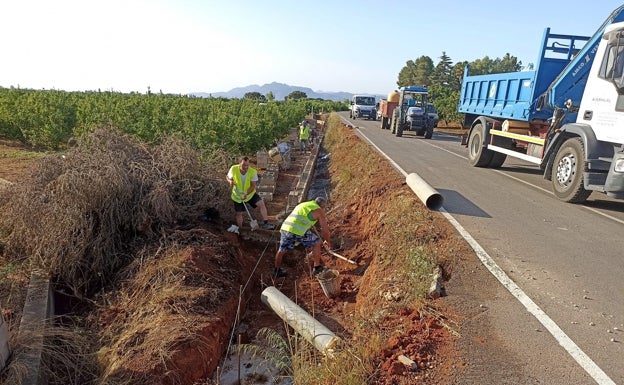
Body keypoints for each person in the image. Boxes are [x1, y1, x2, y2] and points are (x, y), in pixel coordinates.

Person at [273, 196, 331, 278]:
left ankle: (276, 271)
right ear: (322, 206)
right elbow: (325, 230)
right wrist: (327, 241)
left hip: (285, 228)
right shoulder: (319, 210)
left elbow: (302, 218)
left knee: (282, 250)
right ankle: (317, 267)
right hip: (297, 231)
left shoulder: (304, 204)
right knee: (317, 242)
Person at [226, 156, 275, 233]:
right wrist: (230, 181)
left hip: (249, 194)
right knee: (239, 213)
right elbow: (228, 177)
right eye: (243, 165)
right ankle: (241, 229)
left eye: (247, 165)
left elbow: (253, 186)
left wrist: (246, 194)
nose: (245, 167)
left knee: (261, 203)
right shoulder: (233, 169)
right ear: (239, 164)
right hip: (237, 196)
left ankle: (266, 223)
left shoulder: (252, 172)